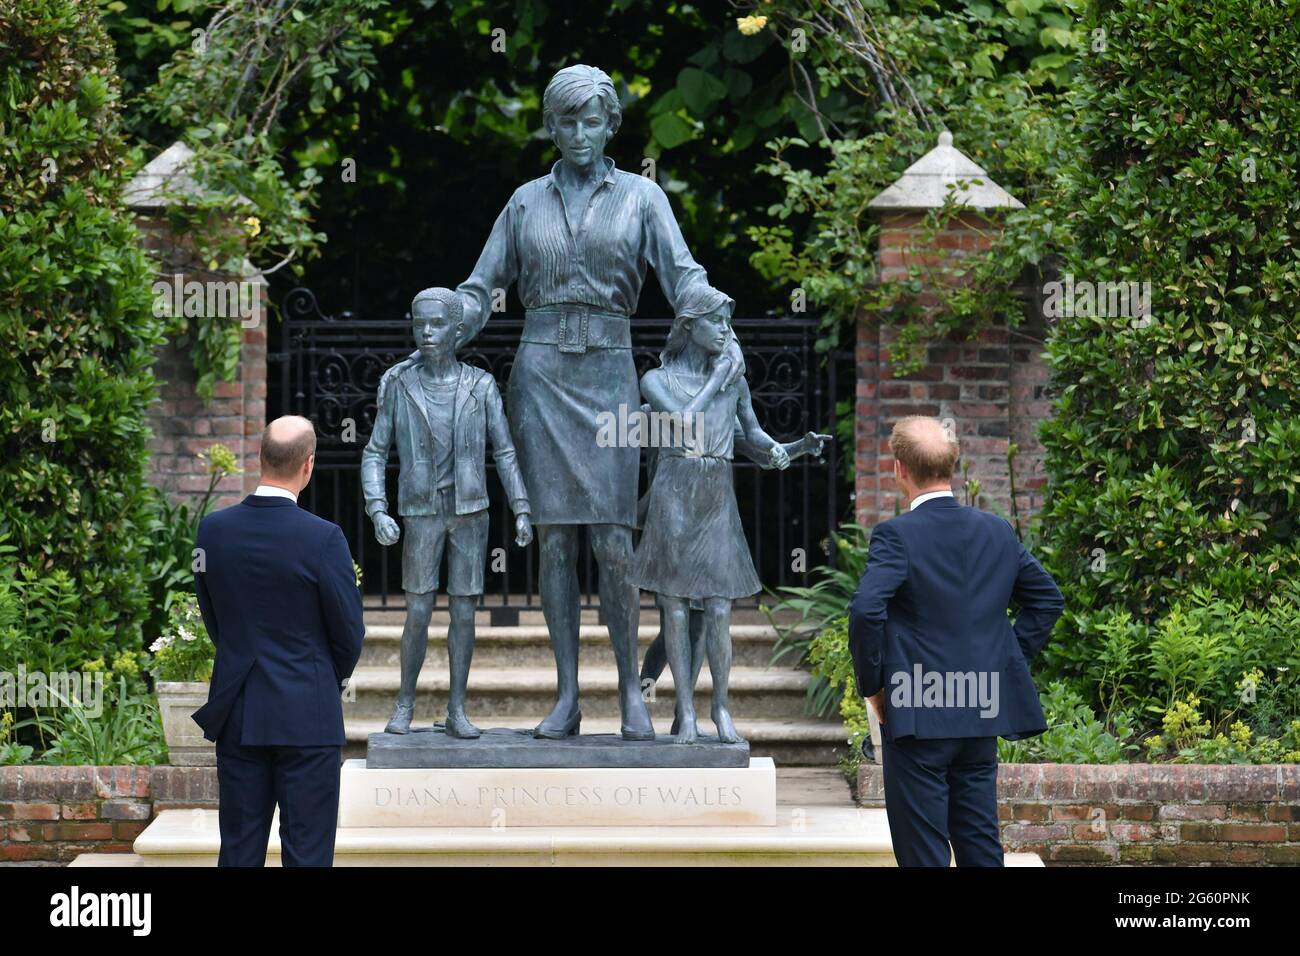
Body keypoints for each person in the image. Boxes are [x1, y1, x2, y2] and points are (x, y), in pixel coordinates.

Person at [382, 64, 741, 740]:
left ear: (612, 126)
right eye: (566, 121)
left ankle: (630, 691)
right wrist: (444, 320)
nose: (579, 133)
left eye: (592, 120)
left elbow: (685, 277)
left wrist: (722, 327)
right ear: (551, 126)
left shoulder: (642, 198)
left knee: (611, 537)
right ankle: (568, 694)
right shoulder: (525, 202)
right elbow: (481, 285)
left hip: (608, 376)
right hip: (542, 377)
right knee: (552, 542)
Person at [847, 416, 1064, 867]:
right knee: (981, 845)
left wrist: (875, 688)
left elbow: (867, 610)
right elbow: (1046, 600)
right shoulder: (997, 531)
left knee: (923, 854)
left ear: (899, 469)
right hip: (981, 705)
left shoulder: (896, 535)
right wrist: (1001, 663)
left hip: (918, 709)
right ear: (954, 465)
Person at [628, 286, 820, 744]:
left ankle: (720, 708)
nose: (725, 331)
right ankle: (685, 713)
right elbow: (681, 421)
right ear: (689, 326)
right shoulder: (657, 380)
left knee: (717, 609)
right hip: (674, 493)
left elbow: (755, 439)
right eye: (716, 321)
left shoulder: (733, 382)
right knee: (674, 608)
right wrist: (718, 379)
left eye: (728, 322)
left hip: (715, 495)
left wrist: (795, 448)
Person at [191, 416, 365, 867]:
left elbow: (215, 619)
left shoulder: (212, 531)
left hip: (240, 711)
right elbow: (348, 633)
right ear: (308, 465)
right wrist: (325, 676)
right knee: (308, 855)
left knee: (239, 853)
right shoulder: (324, 538)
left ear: (260, 458)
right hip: (308, 713)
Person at [361, 287, 533, 738]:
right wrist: (377, 508)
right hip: (421, 512)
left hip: (470, 511)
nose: (427, 332)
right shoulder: (400, 385)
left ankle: (457, 708)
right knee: (417, 610)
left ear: (458, 331)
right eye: (419, 324)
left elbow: (506, 451)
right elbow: (375, 452)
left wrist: (521, 508)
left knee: (464, 611)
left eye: (437, 324)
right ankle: (405, 703)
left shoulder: (480, 385)